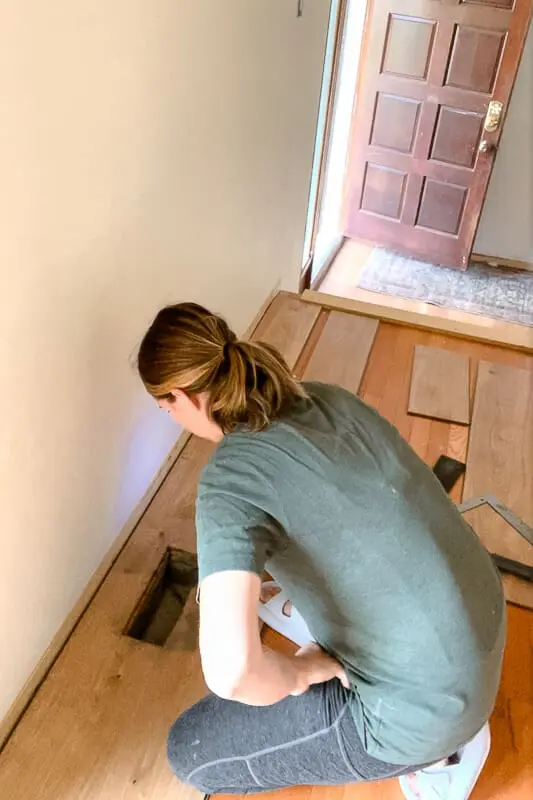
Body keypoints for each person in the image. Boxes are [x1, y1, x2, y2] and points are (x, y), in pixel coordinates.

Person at [137, 302, 505, 799]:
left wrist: (300, 671)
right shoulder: (326, 398)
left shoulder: (229, 482)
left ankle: (436, 756)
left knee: (189, 749)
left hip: (419, 715)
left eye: (166, 409)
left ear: (178, 398)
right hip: (480, 629)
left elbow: (234, 672)